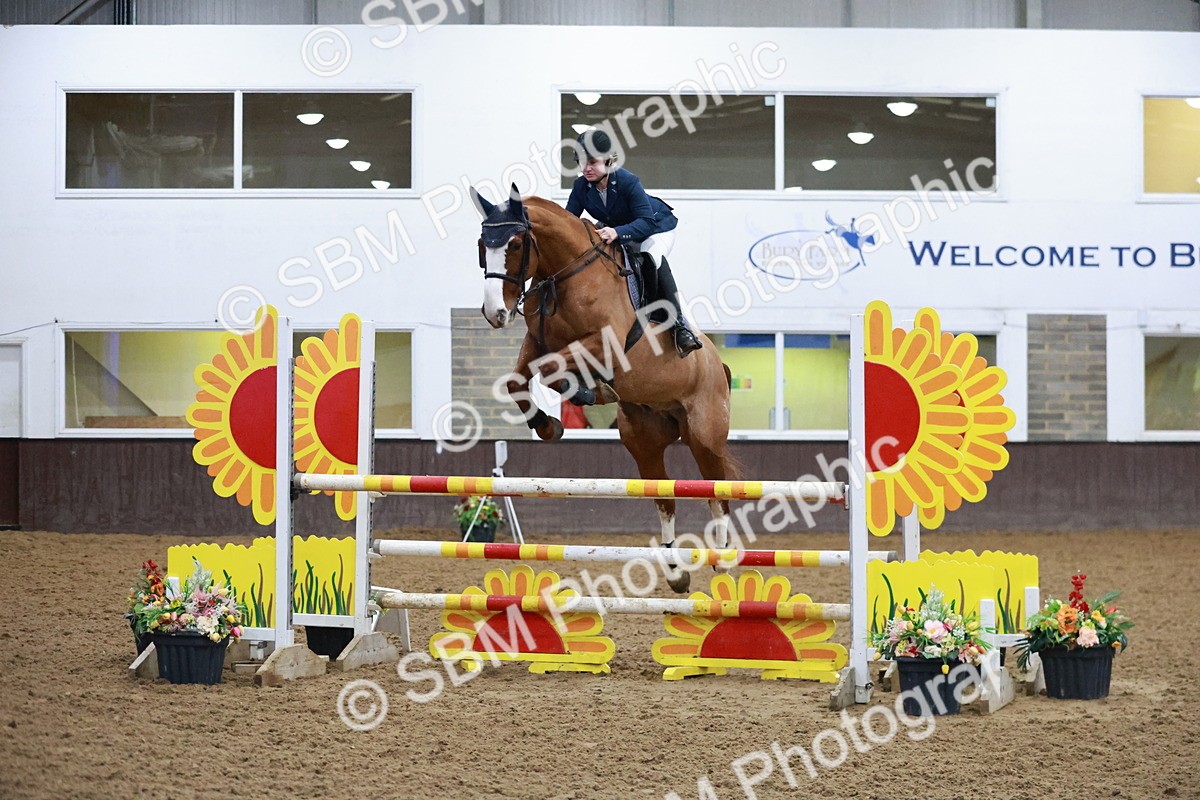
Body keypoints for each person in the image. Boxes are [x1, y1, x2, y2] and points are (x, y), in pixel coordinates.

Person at [565, 130, 701, 357]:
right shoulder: (581, 187)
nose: (586, 167)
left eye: (592, 162)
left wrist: (617, 232)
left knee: (651, 257)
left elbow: (646, 222)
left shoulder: (628, 181)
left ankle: (680, 327)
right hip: (619, 231)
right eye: (581, 162)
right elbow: (569, 221)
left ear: (608, 160)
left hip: (655, 228)